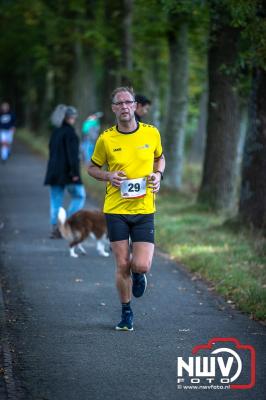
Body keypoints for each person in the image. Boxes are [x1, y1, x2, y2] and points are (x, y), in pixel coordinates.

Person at [87, 87, 165, 331]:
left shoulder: (151, 133)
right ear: (113, 108)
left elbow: (160, 158)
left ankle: (140, 275)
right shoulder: (106, 138)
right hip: (116, 209)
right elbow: (91, 167)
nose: (123, 107)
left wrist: (158, 175)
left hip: (144, 209)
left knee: (140, 265)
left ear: (134, 106)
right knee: (122, 264)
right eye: (118, 103)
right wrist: (108, 175)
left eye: (127, 102)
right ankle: (126, 313)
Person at [44, 105, 86, 238]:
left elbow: (51, 151)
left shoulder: (55, 132)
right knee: (79, 196)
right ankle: (67, 224)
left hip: (53, 173)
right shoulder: (71, 133)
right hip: (68, 174)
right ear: (71, 117)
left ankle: (55, 227)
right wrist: (74, 173)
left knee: (55, 200)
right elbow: (72, 156)